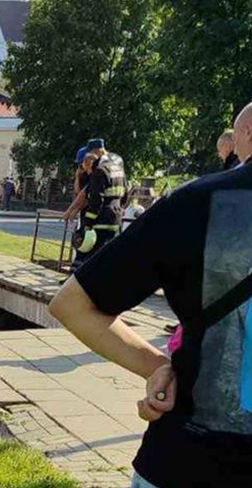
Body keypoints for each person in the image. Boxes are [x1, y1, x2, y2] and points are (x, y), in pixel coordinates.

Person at [49, 102, 252, 487]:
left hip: (190, 462)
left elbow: (72, 305)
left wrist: (157, 367)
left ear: (247, 135)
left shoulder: (194, 203)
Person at [73, 139, 125, 269]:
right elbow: (125, 192)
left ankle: (79, 282)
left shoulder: (100, 171)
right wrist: (120, 209)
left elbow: (97, 200)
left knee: (90, 252)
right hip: (115, 218)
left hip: (101, 219)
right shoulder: (118, 168)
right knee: (107, 254)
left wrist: (88, 223)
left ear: (96, 152)